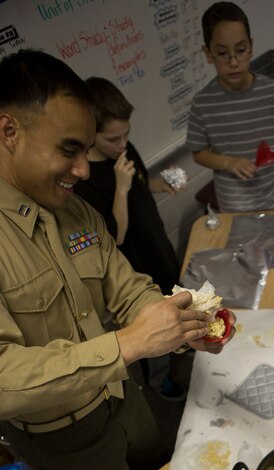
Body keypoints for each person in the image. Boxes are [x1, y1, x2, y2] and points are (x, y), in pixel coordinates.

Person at [0, 49, 235, 470]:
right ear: (8, 132)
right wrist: (128, 346)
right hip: (68, 436)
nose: (84, 169)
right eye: (69, 150)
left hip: (125, 396)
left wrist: (179, 322)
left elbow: (122, 284)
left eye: (87, 151)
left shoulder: (73, 210)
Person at [75, 77, 186, 401]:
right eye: (113, 138)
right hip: (134, 269)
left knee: (176, 301)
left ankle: (181, 344)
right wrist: (120, 188)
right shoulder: (85, 182)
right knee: (151, 323)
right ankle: (159, 378)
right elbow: (116, 236)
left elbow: (139, 181)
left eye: (126, 134)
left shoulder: (123, 149)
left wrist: (156, 185)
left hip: (157, 248)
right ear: (89, 133)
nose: (123, 143)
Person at [186, 2, 274, 214]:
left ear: (251, 47)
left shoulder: (272, 92)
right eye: (222, 53)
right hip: (232, 208)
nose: (233, 62)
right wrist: (228, 162)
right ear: (208, 53)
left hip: (271, 201)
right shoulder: (202, 103)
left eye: (240, 51)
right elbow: (199, 153)